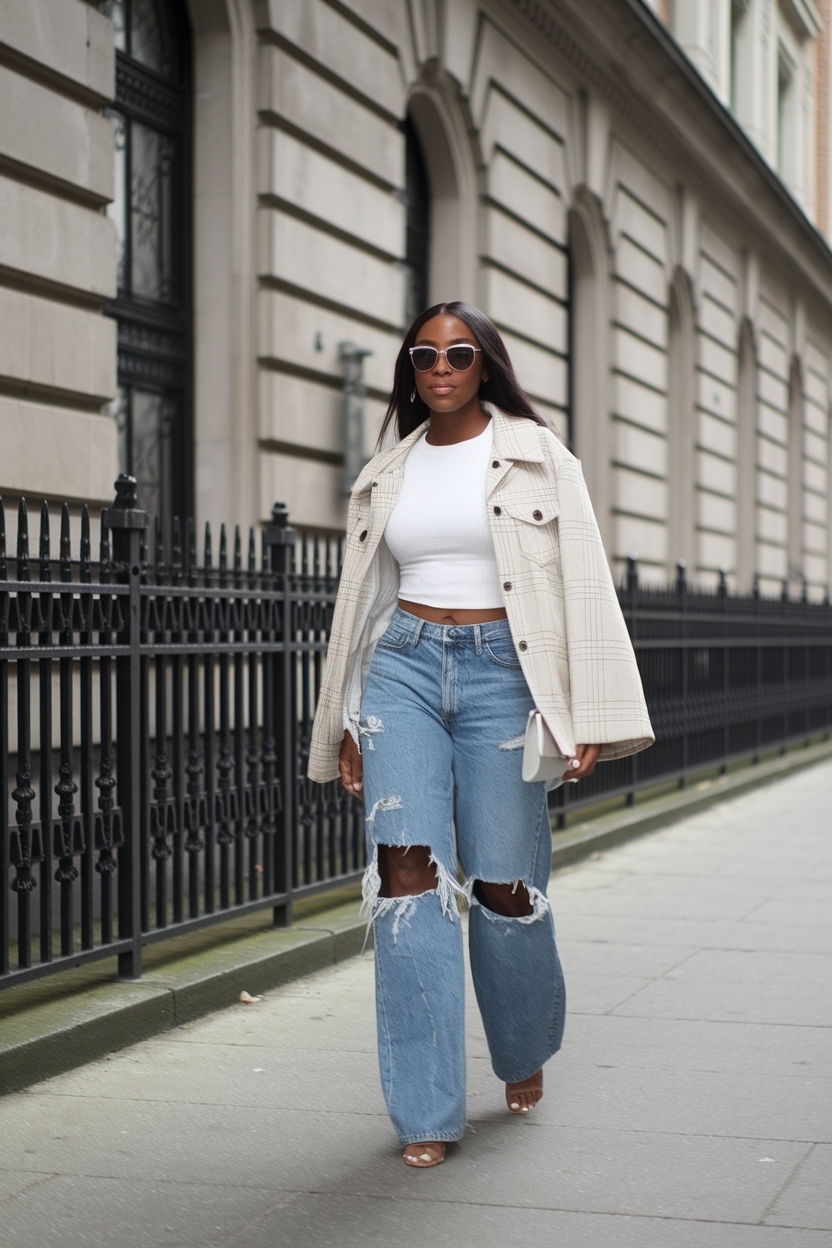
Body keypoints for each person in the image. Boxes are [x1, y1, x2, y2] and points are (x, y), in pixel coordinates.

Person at [308, 301, 653, 1168]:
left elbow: (584, 587)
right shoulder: (387, 470)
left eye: (458, 352)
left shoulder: (540, 458)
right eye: (424, 353)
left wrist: (587, 715)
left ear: (485, 364)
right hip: (404, 668)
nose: (440, 365)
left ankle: (522, 1044)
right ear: (411, 368)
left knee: (503, 882)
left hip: (507, 671)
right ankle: (425, 1108)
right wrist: (352, 716)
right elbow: (364, 604)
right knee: (407, 880)